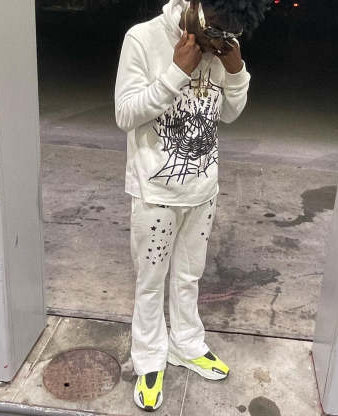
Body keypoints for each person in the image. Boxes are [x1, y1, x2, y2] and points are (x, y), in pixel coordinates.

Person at [114, 0, 269, 411]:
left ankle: (186, 344)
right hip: (155, 193)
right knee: (150, 283)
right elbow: (124, 113)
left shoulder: (222, 44)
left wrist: (236, 70)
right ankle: (149, 358)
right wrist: (176, 73)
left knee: (189, 277)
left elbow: (230, 113)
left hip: (203, 190)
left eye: (226, 32)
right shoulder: (143, 39)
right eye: (213, 27)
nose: (217, 37)